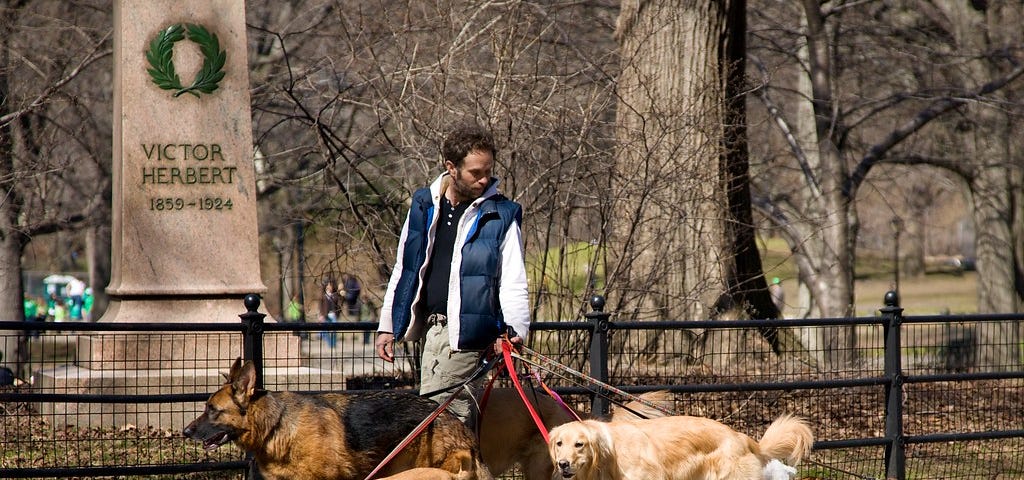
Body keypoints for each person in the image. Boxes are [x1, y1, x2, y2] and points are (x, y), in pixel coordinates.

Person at [375, 123, 530, 427]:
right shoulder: (423, 204)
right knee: (441, 427)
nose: (484, 180)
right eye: (476, 173)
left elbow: (513, 280)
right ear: (451, 167)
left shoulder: (501, 214)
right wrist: (388, 325)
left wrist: (515, 331)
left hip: (466, 338)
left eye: (488, 171)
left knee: (443, 426)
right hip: (430, 333)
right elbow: (404, 269)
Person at [318, 278, 341, 348]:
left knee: (334, 330)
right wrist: (320, 315)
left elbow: (339, 306)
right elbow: (320, 306)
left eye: (330, 285)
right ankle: (329, 344)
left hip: (333, 314)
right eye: (328, 285)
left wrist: (337, 314)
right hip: (326, 315)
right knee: (326, 330)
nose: (329, 287)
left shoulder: (335, 295)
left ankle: (333, 344)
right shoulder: (323, 296)